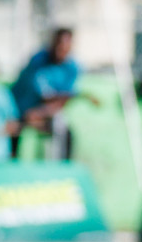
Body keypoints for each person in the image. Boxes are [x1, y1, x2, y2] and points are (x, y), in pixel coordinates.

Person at [12, 27, 98, 160]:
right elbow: (46, 96)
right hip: (22, 109)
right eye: (59, 44)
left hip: (44, 112)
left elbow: (62, 100)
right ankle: (11, 167)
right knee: (13, 130)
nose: (61, 49)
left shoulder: (72, 68)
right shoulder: (39, 61)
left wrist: (43, 112)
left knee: (65, 134)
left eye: (65, 45)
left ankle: (63, 171)